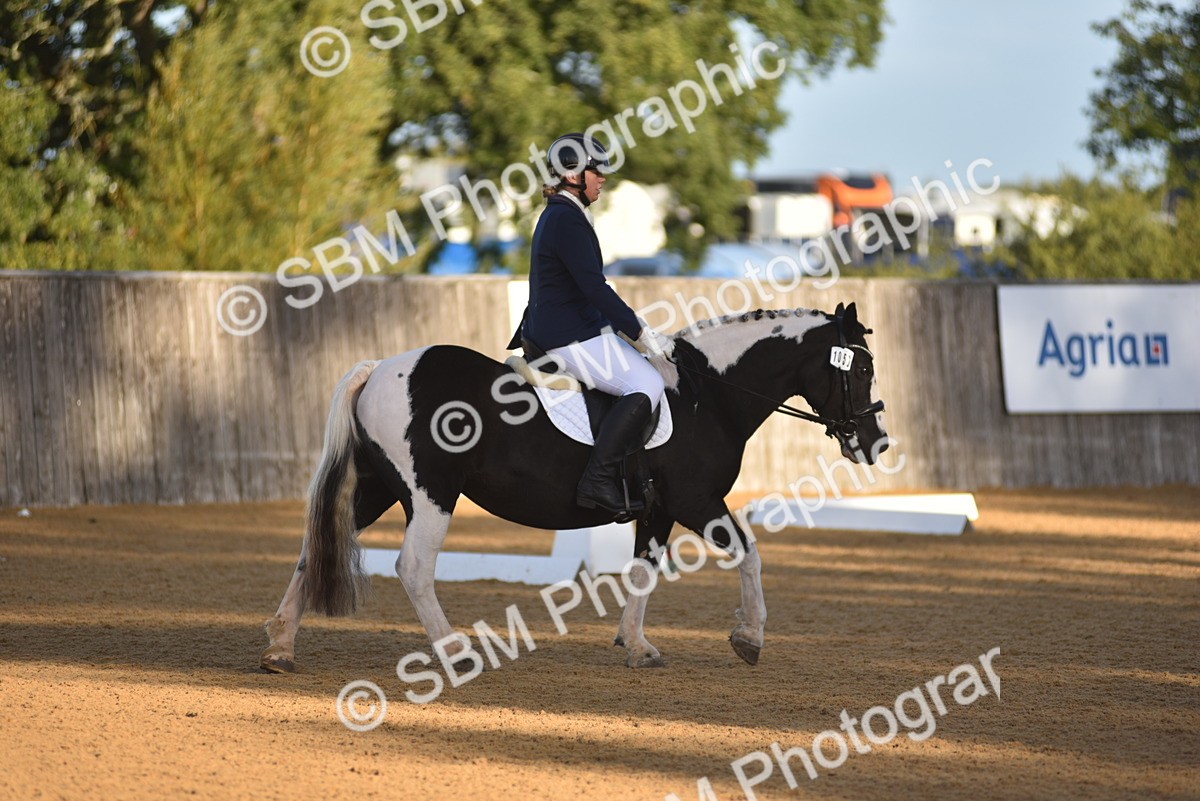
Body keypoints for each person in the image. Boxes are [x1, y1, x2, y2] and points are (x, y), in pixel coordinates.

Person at [509, 133, 675, 516]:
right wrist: (640, 333)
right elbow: (594, 288)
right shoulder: (566, 218)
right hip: (567, 335)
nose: (602, 178)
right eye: (595, 171)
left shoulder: (563, 214)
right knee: (647, 383)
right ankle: (598, 480)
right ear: (572, 174)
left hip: (570, 327)